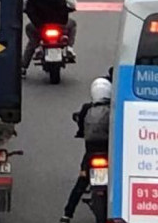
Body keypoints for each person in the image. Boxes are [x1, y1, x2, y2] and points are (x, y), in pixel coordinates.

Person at [60, 78, 112, 223]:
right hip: (109, 150)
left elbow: (80, 127)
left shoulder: (86, 108)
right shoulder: (115, 108)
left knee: (82, 181)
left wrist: (81, 132)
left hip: (91, 152)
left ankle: (67, 214)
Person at [21, 0, 70, 76]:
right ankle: (70, 48)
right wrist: (63, 20)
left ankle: (23, 66)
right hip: (58, 24)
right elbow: (64, 6)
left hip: (41, 26)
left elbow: (30, 8)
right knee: (72, 25)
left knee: (32, 39)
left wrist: (37, 24)